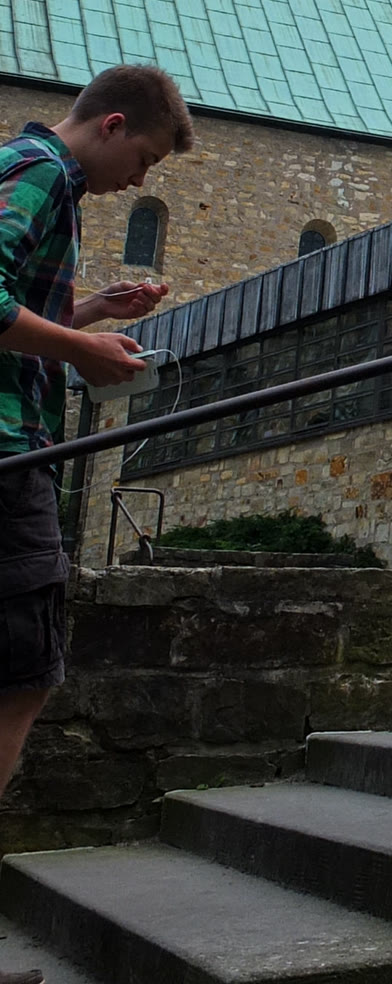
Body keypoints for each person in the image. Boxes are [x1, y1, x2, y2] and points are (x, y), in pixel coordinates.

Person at [0, 68, 193, 854]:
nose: (140, 181)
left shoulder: (24, 166)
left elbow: (13, 310)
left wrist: (87, 313)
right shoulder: (45, 172)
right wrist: (81, 350)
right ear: (112, 125)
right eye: (144, 160)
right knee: (20, 679)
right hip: (9, 455)